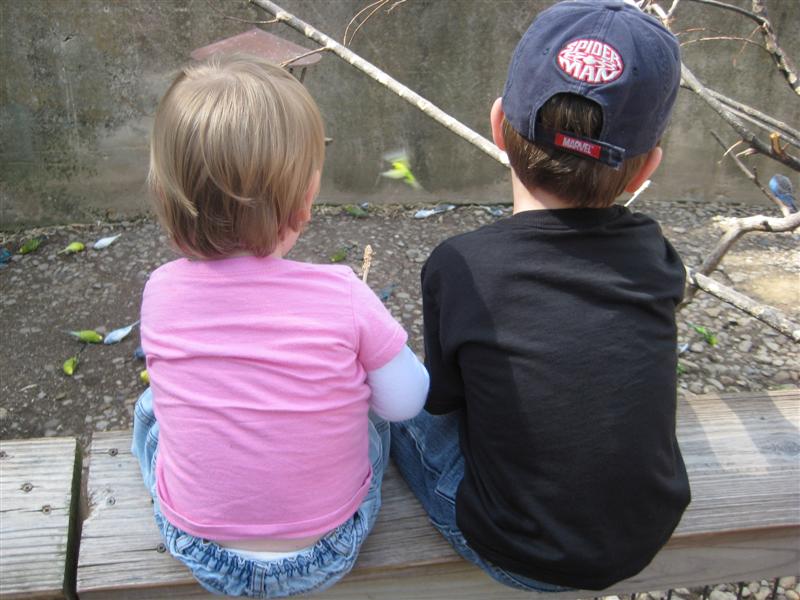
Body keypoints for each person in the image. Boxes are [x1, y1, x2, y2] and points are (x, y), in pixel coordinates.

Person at [391, 0, 691, 592]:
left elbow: (444, 404)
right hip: (644, 533)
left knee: (390, 408)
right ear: (645, 168)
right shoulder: (656, 256)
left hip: (513, 548)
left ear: (499, 125)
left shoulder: (462, 265)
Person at [132, 54, 429, 597]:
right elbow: (406, 402)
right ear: (306, 200)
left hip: (202, 550)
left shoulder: (160, 292)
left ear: (167, 199)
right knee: (373, 417)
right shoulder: (343, 292)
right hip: (325, 549)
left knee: (150, 411)